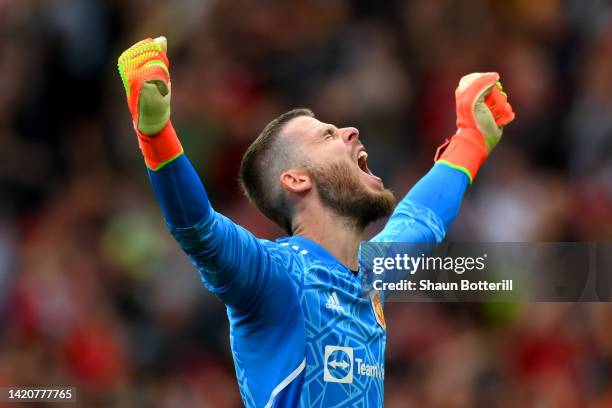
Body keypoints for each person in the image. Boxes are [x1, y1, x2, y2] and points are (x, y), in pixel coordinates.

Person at [117, 36, 514, 407]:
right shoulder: (275, 275)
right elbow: (201, 231)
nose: (351, 130)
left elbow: (421, 221)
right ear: (295, 179)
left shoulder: (370, 276)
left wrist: (471, 139)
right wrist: (155, 132)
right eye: (327, 136)